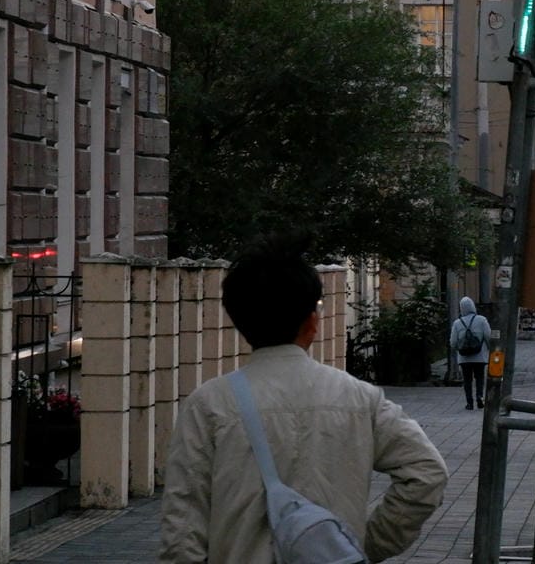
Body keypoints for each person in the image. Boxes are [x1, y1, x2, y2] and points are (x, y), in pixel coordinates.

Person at [161, 238, 447, 561]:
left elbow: (182, 526)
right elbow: (427, 472)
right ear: (312, 323)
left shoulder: (207, 405)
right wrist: (367, 544)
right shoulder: (360, 398)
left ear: (240, 323)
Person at [451, 296, 492, 410]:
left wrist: (458, 348)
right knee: (480, 378)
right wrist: (489, 348)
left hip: (464, 358)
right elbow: (488, 337)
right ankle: (480, 397)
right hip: (480, 356)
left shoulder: (457, 323)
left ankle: (469, 403)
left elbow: (453, 342)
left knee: (467, 380)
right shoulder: (482, 320)